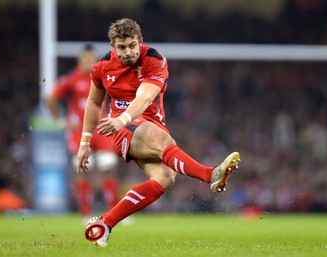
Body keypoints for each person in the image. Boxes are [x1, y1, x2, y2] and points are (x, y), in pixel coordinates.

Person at [77, 18, 241, 247]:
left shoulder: (154, 60)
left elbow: (144, 97)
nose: (128, 52)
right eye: (121, 47)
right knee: (163, 140)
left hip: (144, 123)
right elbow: (94, 104)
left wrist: (122, 118)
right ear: (113, 47)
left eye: (132, 45)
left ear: (140, 42)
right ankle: (210, 174)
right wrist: (85, 142)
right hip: (123, 131)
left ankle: (104, 224)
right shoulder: (101, 67)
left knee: (165, 178)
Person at [44, 44, 119, 220]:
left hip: (101, 129)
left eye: (92, 59)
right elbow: (50, 98)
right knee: (85, 169)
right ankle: (86, 214)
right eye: (86, 60)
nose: (89, 63)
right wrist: (61, 121)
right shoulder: (71, 79)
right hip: (80, 131)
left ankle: (115, 213)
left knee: (108, 166)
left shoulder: (103, 77)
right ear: (80, 61)